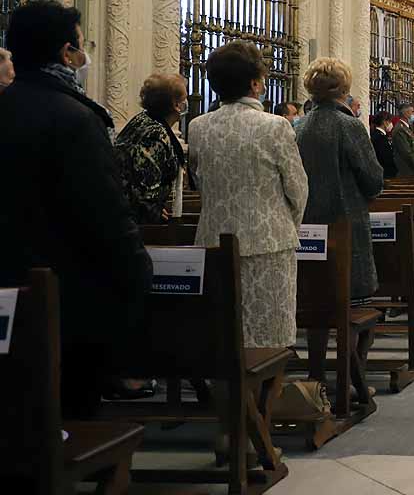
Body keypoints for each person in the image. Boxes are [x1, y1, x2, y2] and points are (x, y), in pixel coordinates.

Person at [0, 0, 152, 418]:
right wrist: (137, 267)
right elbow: (103, 209)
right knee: (70, 403)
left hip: (8, 281)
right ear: (67, 52)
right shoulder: (76, 118)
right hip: (67, 290)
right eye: (81, 47)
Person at [188, 40, 309, 349]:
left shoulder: (198, 127)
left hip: (214, 241)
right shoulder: (276, 126)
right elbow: (297, 188)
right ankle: (263, 395)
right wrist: (286, 224)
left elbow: (199, 181)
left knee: (225, 331)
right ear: (255, 83)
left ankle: (228, 395)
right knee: (270, 334)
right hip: (269, 243)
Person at [295, 58, 385, 399]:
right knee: (351, 306)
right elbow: (373, 179)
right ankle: (349, 379)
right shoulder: (349, 127)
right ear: (343, 88)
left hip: (309, 230)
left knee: (317, 304)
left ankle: (316, 376)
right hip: (347, 228)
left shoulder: (298, 127)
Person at [114, 73, 190, 225]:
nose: (186, 103)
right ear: (176, 105)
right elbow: (144, 183)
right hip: (136, 222)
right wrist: (152, 209)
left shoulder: (145, 120)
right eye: (184, 98)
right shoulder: (153, 134)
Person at [391, 101, 414, 177]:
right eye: (412, 112)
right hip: (406, 169)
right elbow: (406, 152)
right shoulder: (400, 129)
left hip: (410, 167)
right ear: (406, 113)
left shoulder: (406, 127)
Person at [369, 113, 398, 178]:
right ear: (384, 122)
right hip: (385, 173)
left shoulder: (381, 135)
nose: (391, 124)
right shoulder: (379, 137)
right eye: (390, 121)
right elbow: (384, 157)